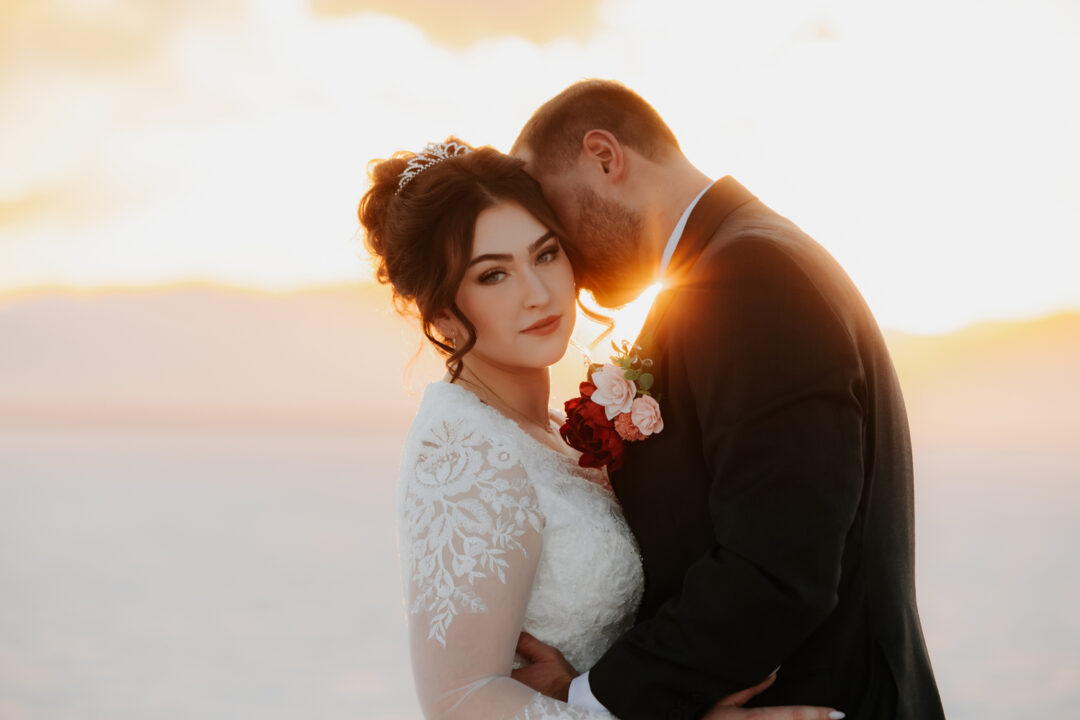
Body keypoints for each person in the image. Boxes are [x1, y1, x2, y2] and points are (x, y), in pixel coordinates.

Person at [506, 80, 947, 720]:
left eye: (552, 216)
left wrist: (586, 701)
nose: (560, 255)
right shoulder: (734, 262)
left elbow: (778, 567)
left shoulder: (750, 276)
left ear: (604, 157)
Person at [359, 139, 844, 720]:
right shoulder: (461, 450)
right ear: (439, 310)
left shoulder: (557, 431)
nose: (538, 294)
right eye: (493, 276)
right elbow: (460, 702)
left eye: (544, 255)